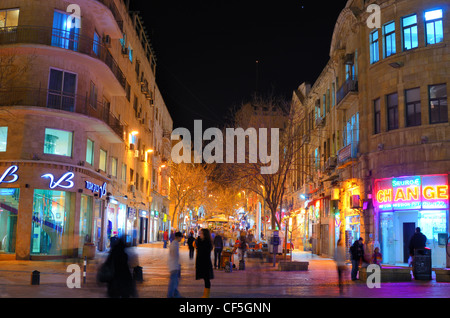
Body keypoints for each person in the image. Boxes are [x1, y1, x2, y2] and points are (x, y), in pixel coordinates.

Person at [195, 228, 214, 298]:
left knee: (206, 279)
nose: (200, 235)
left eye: (201, 233)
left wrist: (198, 241)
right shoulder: (201, 241)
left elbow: (202, 250)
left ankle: (206, 295)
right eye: (199, 233)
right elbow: (195, 245)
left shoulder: (207, 243)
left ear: (205, 235)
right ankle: (205, 294)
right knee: (205, 279)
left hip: (205, 263)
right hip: (202, 262)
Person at [167, 232, 183, 298]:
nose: (181, 239)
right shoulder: (174, 244)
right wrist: (177, 265)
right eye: (181, 237)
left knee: (175, 282)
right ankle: (170, 296)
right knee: (173, 282)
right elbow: (174, 256)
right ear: (178, 237)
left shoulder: (175, 243)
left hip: (174, 265)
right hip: (174, 266)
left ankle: (176, 294)